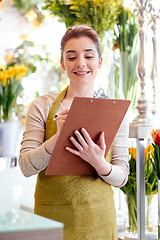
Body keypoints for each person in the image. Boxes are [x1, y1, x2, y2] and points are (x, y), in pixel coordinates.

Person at [19, 25, 129, 240]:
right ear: (62, 63)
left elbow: (121, 177)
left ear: (100, 61)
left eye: (88, 55)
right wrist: (58, 137)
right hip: (51, 220)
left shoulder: (117, 111)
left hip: (100, 220)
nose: (80, 63)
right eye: (71, 57)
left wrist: (99, 163)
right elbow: (25, 167)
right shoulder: (41, 107)